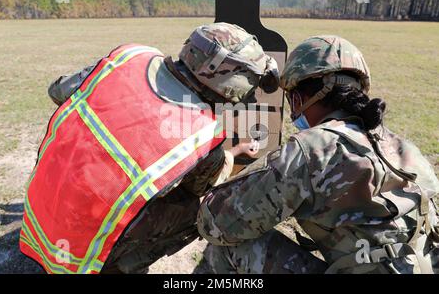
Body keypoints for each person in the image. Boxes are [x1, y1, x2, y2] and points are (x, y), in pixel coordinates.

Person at [20, 23, 279, 274]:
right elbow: (202, 185)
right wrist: (232, 153)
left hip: (40, 209)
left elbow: (58, 91)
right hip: (80, 252)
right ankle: (118, 265)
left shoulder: (130, 56)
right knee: (202, 209)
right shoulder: (203, 133)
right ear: (229, 80)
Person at [197, 35, 439, 274]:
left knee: (228, 248)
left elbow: (216, 224)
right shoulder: (406, 149)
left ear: (299, 97)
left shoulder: (313, 148)